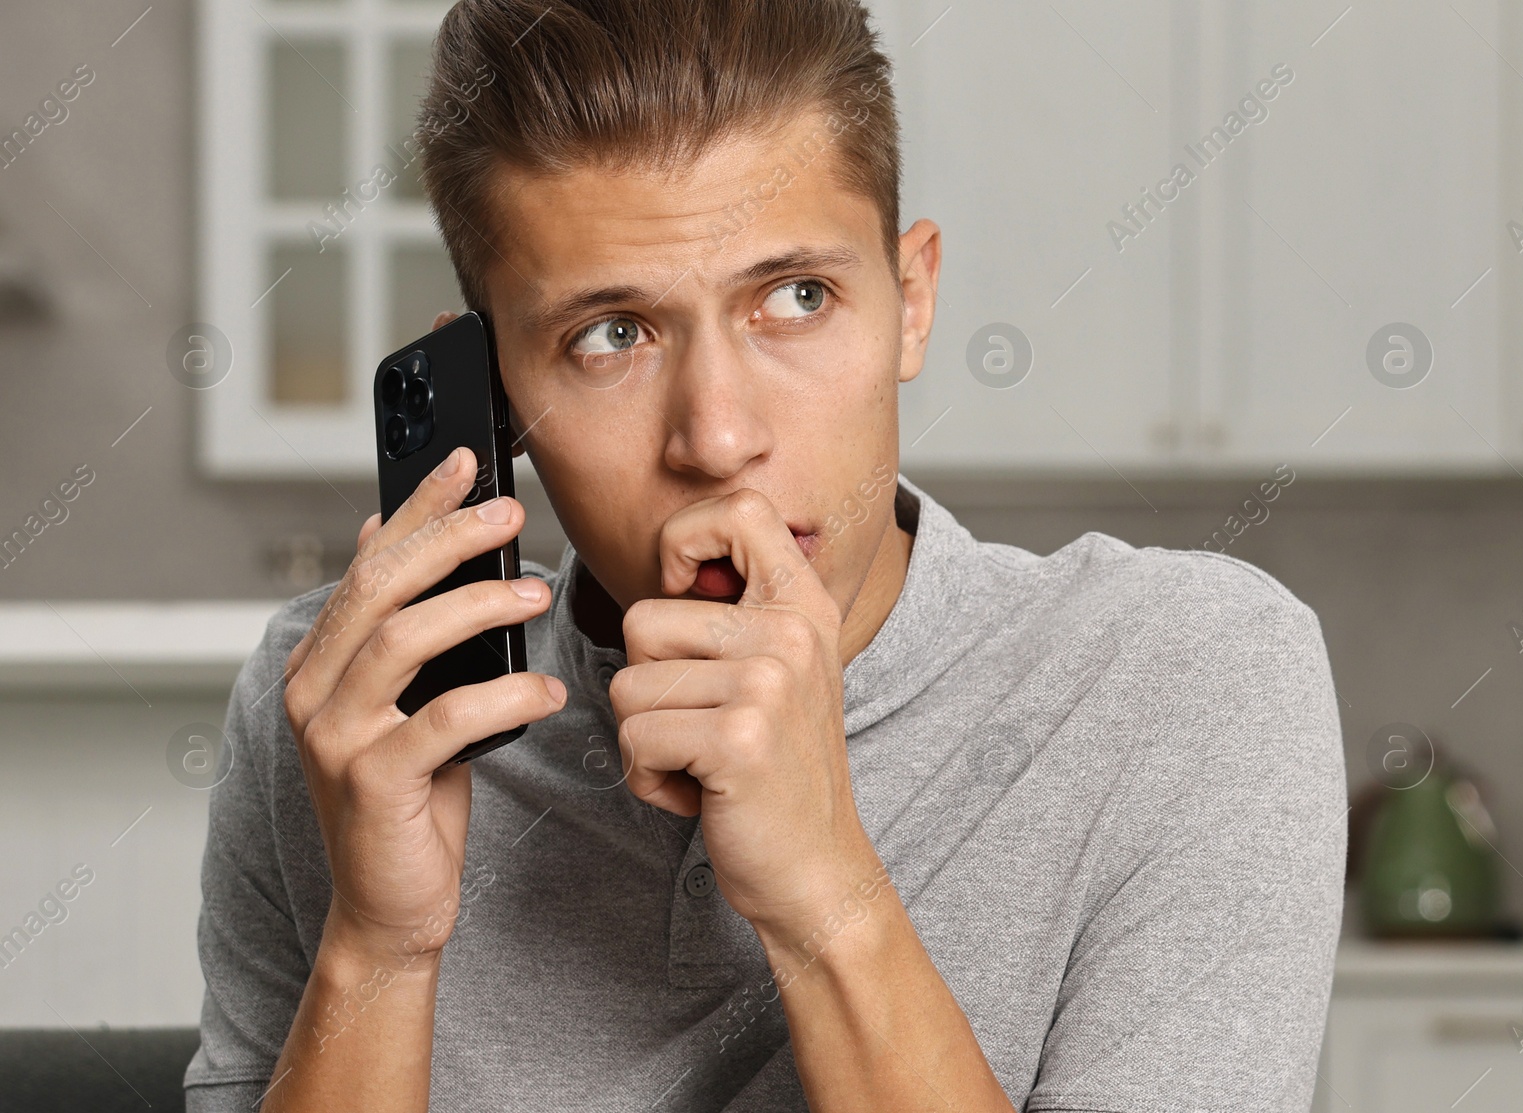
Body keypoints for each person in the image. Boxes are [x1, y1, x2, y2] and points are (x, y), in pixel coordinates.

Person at [185, 1, 1347, 1109]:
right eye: (611, 335)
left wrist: (823, 896)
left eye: (796, 296)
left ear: (912, 299)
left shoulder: (1187, 679)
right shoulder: (352, 717)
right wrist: (377, 953)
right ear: (491, 399)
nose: (719, 438)